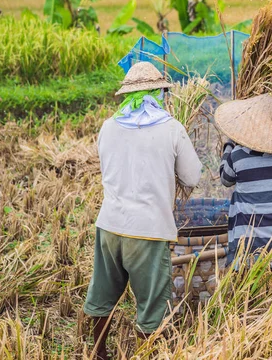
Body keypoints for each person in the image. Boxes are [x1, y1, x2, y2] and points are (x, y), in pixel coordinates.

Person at [83, 62, 202, 360]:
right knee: (151, 305)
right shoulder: (172, 128)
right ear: (159, 93)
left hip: (109, 225)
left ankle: (98, 353)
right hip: (148, 231)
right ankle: (145, 354)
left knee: (103, 294)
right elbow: (192, 177)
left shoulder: (108, 127)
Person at [214, 94, 272, 284]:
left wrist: (229, 144)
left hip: (251, 244)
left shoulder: (239, 154)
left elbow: (225, 179)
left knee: (249, 302)